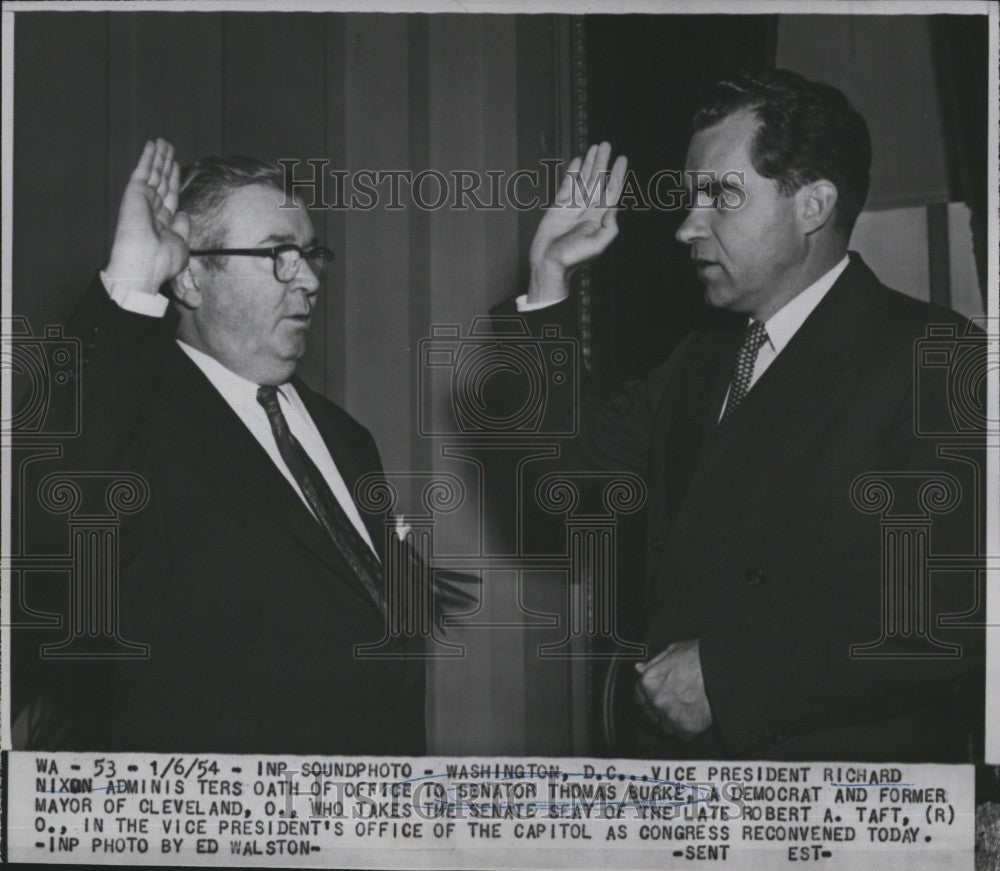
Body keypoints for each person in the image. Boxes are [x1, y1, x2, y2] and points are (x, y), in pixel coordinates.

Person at [506, 69, 984, 761]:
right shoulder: (699, 362)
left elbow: (953, 606)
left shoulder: (936, 355)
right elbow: (560, 479)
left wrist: (726, 673)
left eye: (719, 197)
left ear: (813, 205)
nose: (686, 226)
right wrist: (548, 280)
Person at [19, 140, 426, 754]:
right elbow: (47, 519)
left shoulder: (348, 439)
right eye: (278, 255)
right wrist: (132, 276)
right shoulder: (132, 426)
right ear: (189, 275)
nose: (311, 279)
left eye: (311, 253)